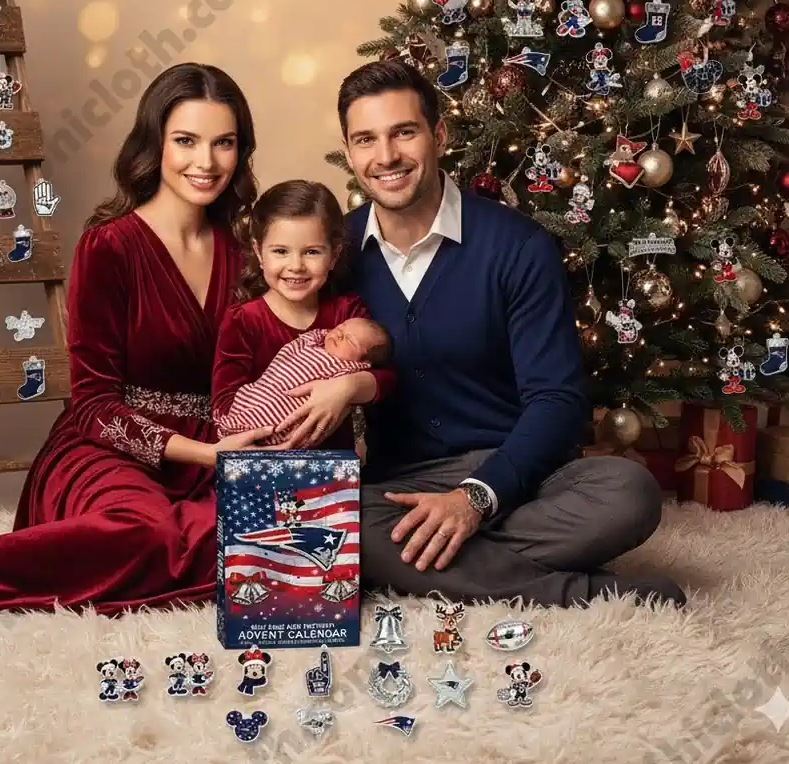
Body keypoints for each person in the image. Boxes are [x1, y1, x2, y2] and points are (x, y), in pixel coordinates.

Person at [0, 63, 276, 623]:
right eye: (186, 141)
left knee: (263, 530)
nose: (206, 162)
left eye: (224, 144)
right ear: (154, 144)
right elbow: (93, 405)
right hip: (110, 446)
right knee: (148, 532)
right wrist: (200, 452)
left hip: (220, 449)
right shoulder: (109, 246)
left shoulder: (252, 250)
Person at [279, 59, 686, 609]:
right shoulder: (333, 255)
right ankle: (581, 591)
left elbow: (557, 399)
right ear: (350, 154)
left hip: (515, 474)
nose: (387, 156)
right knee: (320, 520)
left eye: (404, 132)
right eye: (366, 140)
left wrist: (476, 499)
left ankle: (437, 563)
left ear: (438, 134)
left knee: (628, 494)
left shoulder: (518, 246)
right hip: (397, 487)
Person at [211, 180, 395, 453]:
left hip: (330, 469)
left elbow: (387, 378)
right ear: (259, 252)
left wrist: (347, 386)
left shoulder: (347, 314)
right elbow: (225, 404)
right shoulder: (243, 321)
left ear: (334, 255)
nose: (295, 266)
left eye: (311, 252)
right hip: (263, 460)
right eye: (280, 251)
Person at [214, 316, 391, 441]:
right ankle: (235, 424)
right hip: (271, 387)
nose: (338, 334)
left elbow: (381, 378)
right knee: (253, 397)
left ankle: (242, 429)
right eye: (340, 328)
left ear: (365, 361)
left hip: (289, 411)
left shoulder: (348, 369)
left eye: (349, 340)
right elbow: (301, 342)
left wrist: (347, 386)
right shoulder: (313, 344)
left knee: (276, 421)